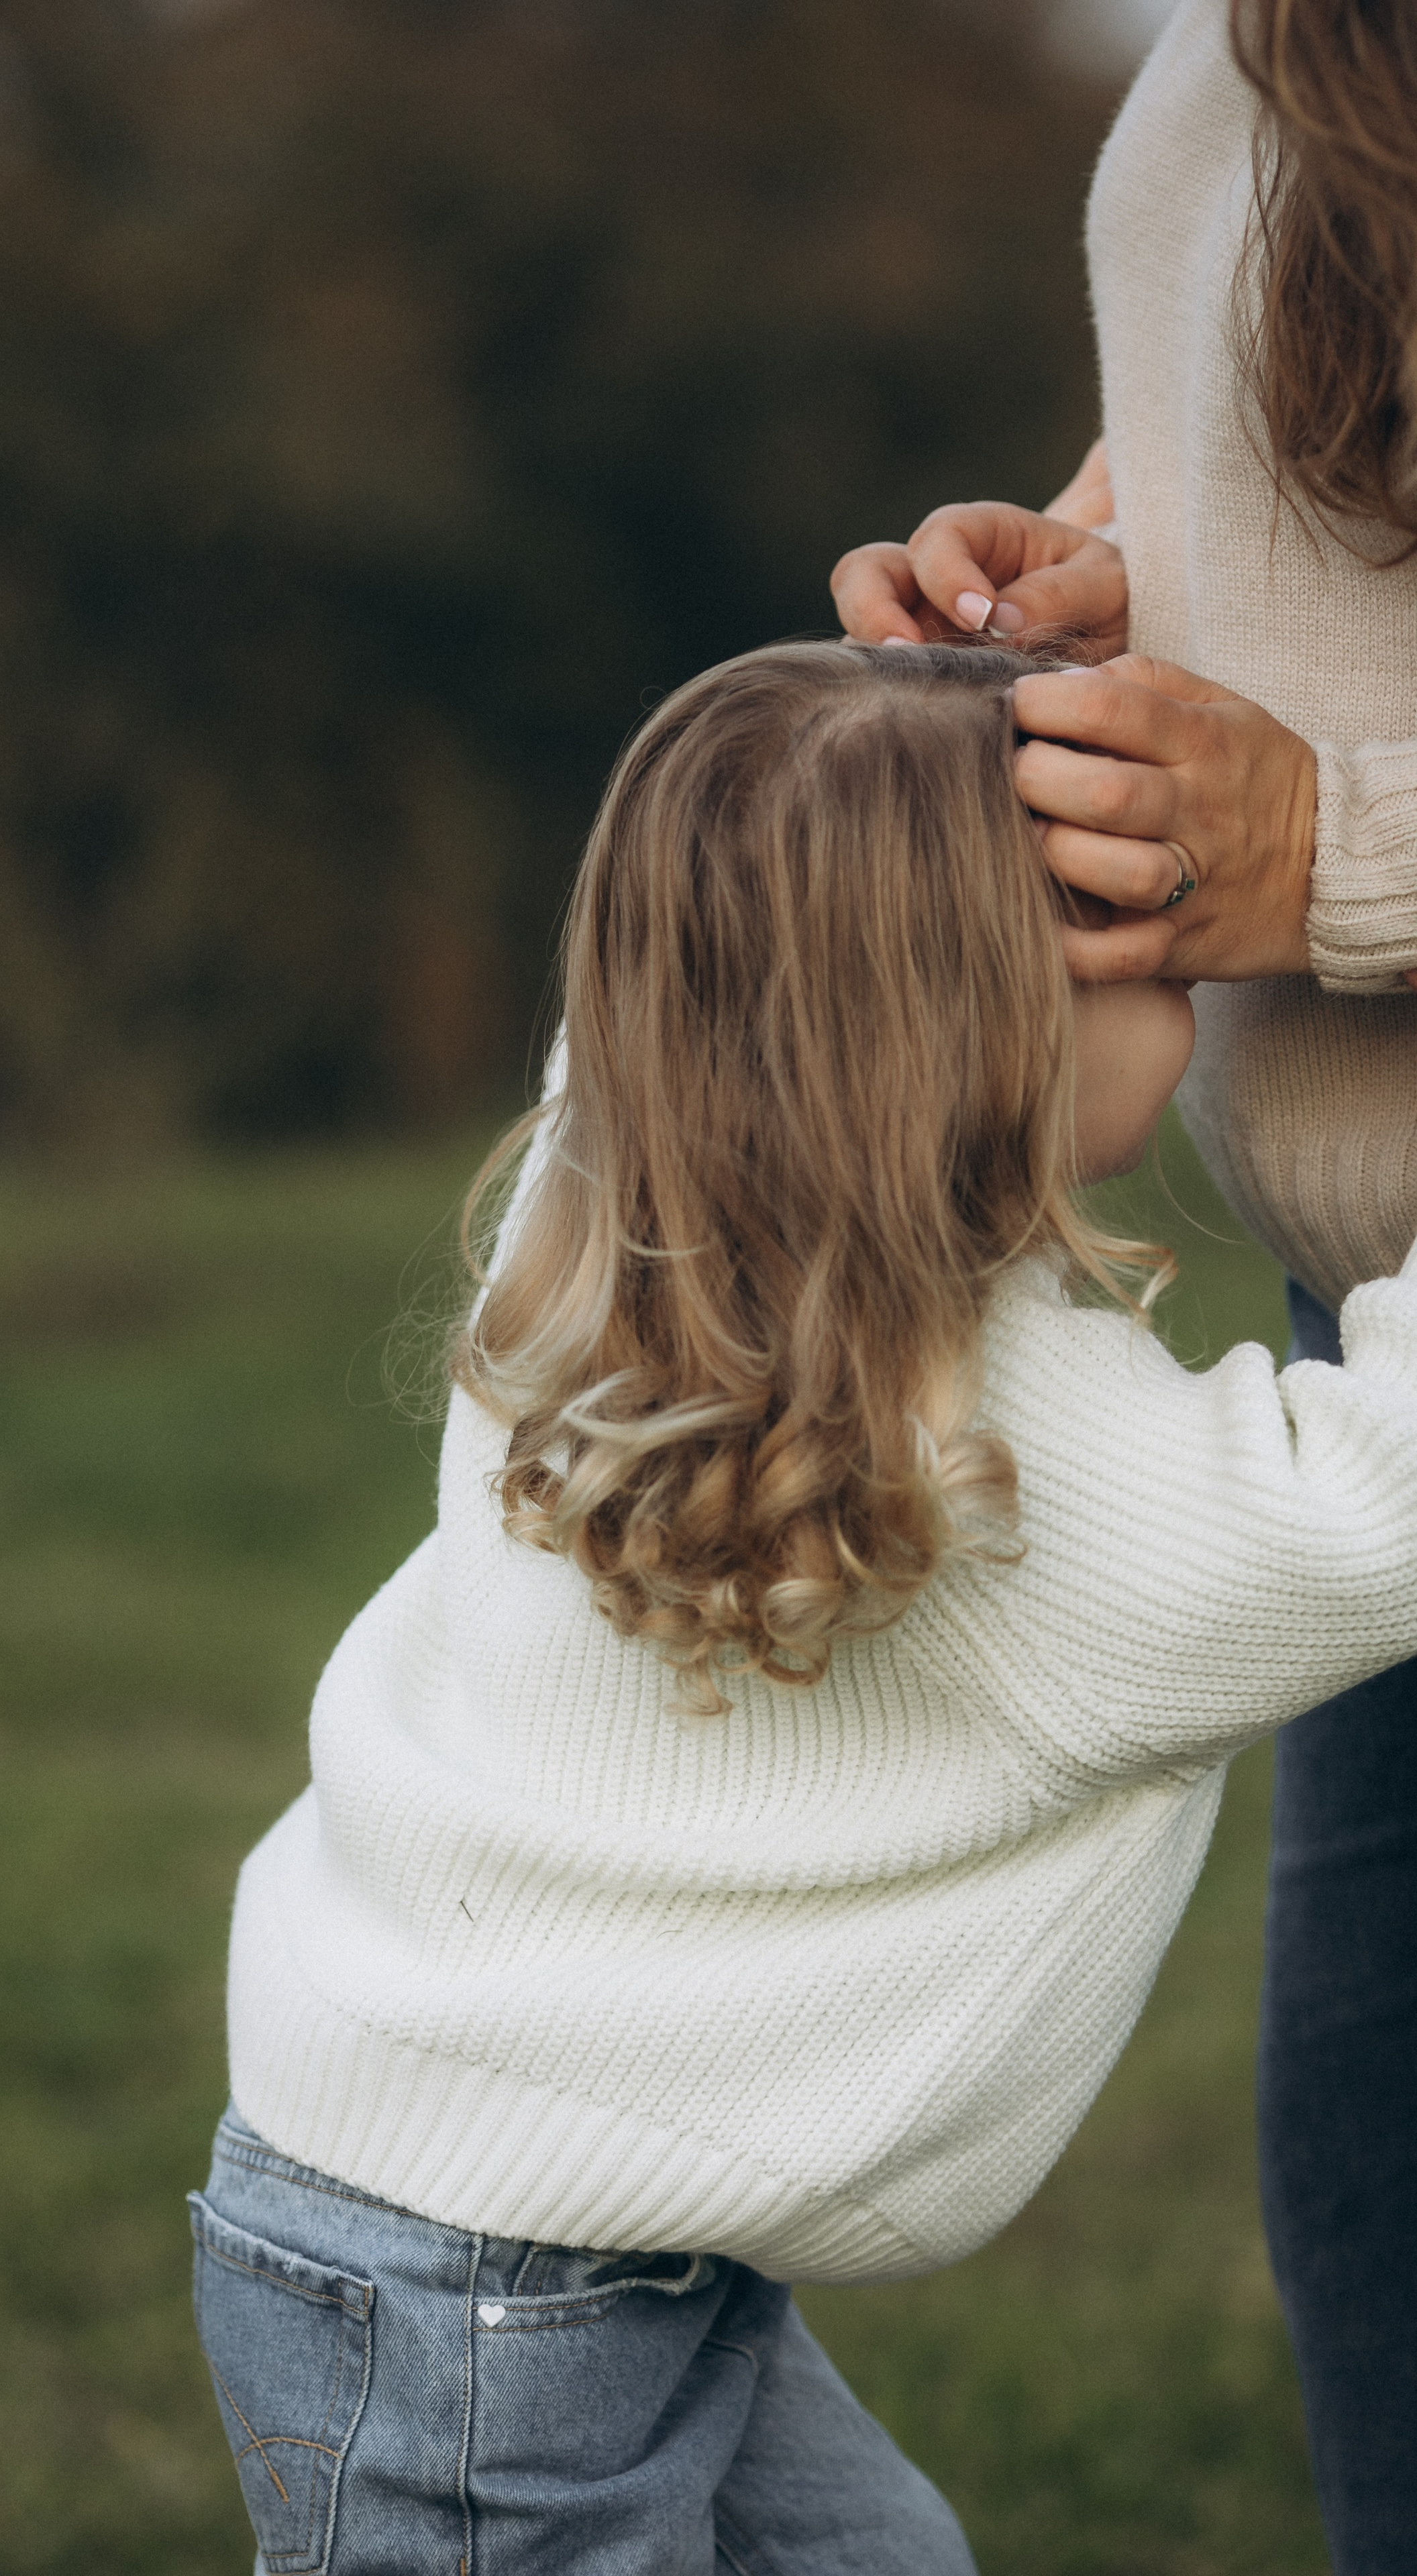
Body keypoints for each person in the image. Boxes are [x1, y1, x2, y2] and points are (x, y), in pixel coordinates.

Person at [191, 638, 1417, 2576]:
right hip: (496, 2324)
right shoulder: (1033, 1479)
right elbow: (1390, 1490)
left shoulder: (610, 1209)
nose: (1212, 975)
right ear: (988, 1023)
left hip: (480, 2232)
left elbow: (749, 905)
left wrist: (948, 684)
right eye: (1154, 942)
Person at [831, 5, 1417, 2565]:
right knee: (1387, 2263)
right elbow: (1305, 457)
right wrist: (1118, 559)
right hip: (1363, 1346)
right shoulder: (1251, 28)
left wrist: (1357, 849)